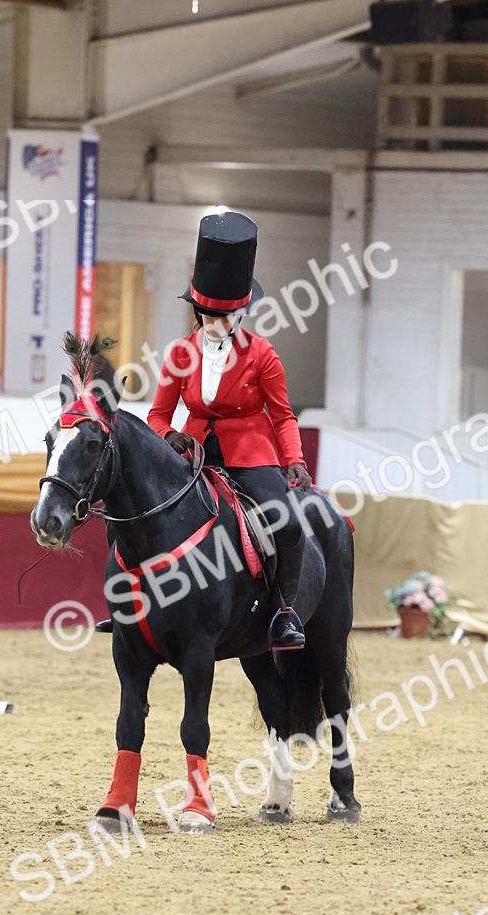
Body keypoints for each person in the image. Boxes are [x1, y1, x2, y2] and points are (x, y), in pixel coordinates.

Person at [148, 210, 312, 651]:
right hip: (192, 458)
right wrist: (169, 437)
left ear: (241, 313)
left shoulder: (263, 354)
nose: (214, 325)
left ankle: (284, 612)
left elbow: (283, 416)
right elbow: (158, 416)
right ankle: (135, 608)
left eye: (224, 317)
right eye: (207, 316)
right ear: (198, 311)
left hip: (251, 457)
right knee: (137, 512)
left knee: (289, 524)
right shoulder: (179, 354)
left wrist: (294, 460)